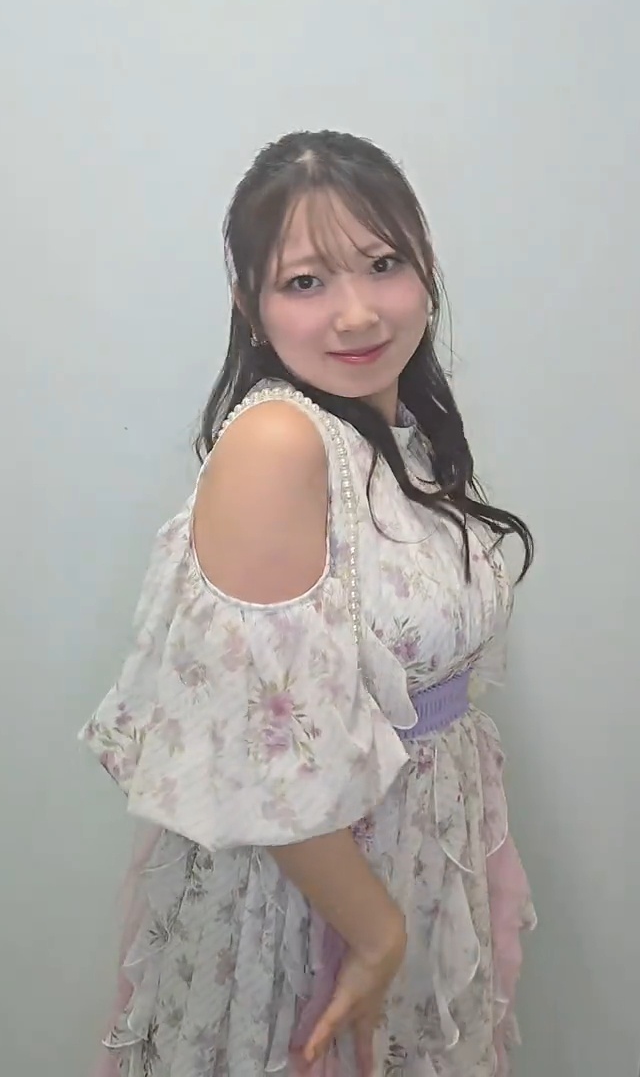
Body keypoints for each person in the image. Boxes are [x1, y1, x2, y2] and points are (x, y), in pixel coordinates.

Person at [80, 130, 536, 1077]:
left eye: (383, 265)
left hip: (411, 866)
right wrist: (375, 934)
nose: (356, 312)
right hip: (322, 901)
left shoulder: (393, 433)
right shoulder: (281, 443)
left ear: (425, 267)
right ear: (250, 307)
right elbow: (259, 748)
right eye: (305, 282)